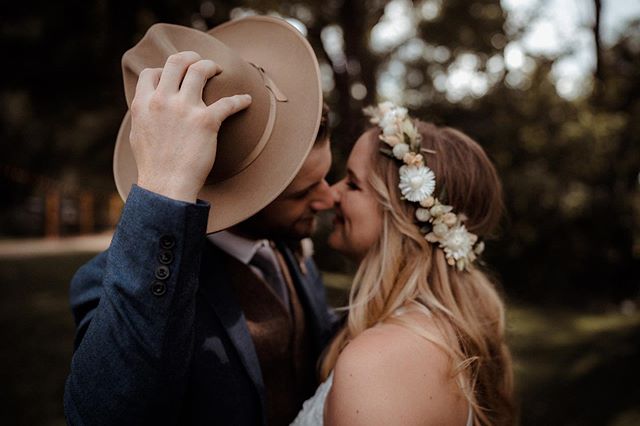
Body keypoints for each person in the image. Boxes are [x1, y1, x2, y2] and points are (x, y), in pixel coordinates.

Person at [64, 17, 338, 425]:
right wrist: (162, 187)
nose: (329, 197)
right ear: (252, 195)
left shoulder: (283, 241)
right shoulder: (106, 283)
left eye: (325, 178)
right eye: (303, 192)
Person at [291, 103, 515, 426]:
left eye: (353, 184)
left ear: (400, 220)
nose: (332, 194)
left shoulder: (380, 363)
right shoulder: (430, 335)